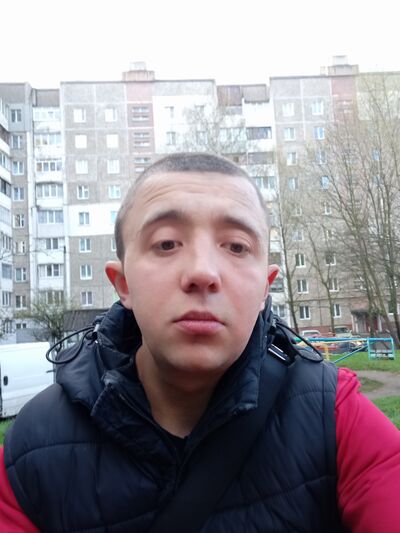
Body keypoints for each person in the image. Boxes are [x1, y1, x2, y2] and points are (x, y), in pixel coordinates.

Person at [0, 152, 399, 532]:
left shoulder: (334, 415)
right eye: (167, 243)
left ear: (265, 288)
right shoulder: (31, 450)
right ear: (123, 284)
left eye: (237, 246)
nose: (203, 272)